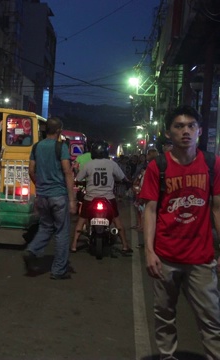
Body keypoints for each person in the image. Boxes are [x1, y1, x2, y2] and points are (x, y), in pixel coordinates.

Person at [139, 105, 220, 359]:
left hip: (202, 259)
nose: (186, 131)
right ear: (168, 133)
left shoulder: (212, 164)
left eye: (191, 126)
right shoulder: (158, 167)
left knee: (212, 321)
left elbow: (217, 208)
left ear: (199, 131)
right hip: (165, 257)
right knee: (164, 317)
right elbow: (150, 210)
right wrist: (150, 251)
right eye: (179, 126)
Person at [22, 117, 77, 280]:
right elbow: (67, 172)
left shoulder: (37, 146)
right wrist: (72, 199)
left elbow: (31, 170)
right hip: (58, 196)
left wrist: (39, 185)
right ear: (59, 131)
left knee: (45, 227)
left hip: (42, 196)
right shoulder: (61, 147)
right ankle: (59, 270)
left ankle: (32, 251)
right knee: (61, 232)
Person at [70, 140, 132, 254]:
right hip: (108, 198)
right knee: (116, 220)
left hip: (90, 198)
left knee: (82, 220)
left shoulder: (89, 164)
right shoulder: (112, 164)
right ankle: (124, 245)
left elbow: (78, 180)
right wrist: (128, 183)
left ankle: (74, 245)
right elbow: (123, 178)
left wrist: (81, 183)